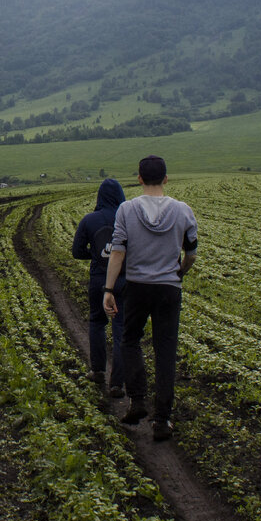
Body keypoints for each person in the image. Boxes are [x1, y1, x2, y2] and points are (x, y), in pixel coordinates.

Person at [103, 155, 197, 441]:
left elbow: (118, 251)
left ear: (140, 178)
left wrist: (108, 290)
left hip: (137, 286)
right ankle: (162, 419)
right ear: (166, 179)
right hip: (169, 288)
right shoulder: (183, 211)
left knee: (130, 339)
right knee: (165, 350)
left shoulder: (127, 209)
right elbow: (191, 254)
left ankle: (138, 399)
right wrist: (179, 272)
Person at [71, 178, 128, 396]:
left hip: (97, 279)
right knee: (120, 326)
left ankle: (97, 371)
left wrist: (95, 256)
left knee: (96, 321)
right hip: (123, 279)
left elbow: (77, 251)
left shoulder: (89, 220)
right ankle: (117, 383)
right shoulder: (128, 218)